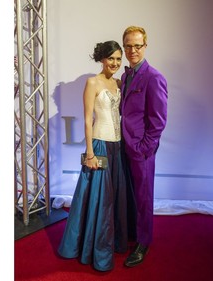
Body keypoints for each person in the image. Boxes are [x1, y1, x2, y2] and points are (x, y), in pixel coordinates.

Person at [58, 40, 128, 272]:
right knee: (100, 199)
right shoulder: (92, 82)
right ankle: (94, 250)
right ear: (102, 59)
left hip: (117, 147)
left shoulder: (118, 83)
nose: (115, 63)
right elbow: (88, 119)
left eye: (119, 59)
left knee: (112, 197)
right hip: (98, 145)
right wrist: (89, 152)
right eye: (111, 58)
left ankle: (112, 241)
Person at [120, 26, 168, 267]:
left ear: (145, 46)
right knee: (130, 194)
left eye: (137, 45)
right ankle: (133, 233)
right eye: (128, 45)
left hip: (141, 150)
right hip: (123, 146)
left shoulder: (154, 77)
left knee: (143, 196)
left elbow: (158, 121)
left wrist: (144, 147)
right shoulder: (126, 75)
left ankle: (143, 242)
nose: (132, 50)